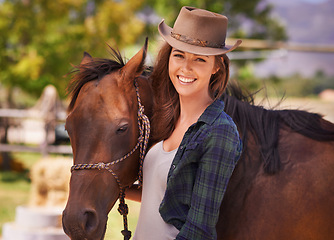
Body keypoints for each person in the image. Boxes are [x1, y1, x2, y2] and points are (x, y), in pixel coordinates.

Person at [127, 6, 243, 240]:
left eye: (199, 59)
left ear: (217, 66)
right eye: (179, 54)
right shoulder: (164, 119)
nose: (186, 68)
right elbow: (163, 197)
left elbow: (200, 229)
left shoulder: (220, 132)